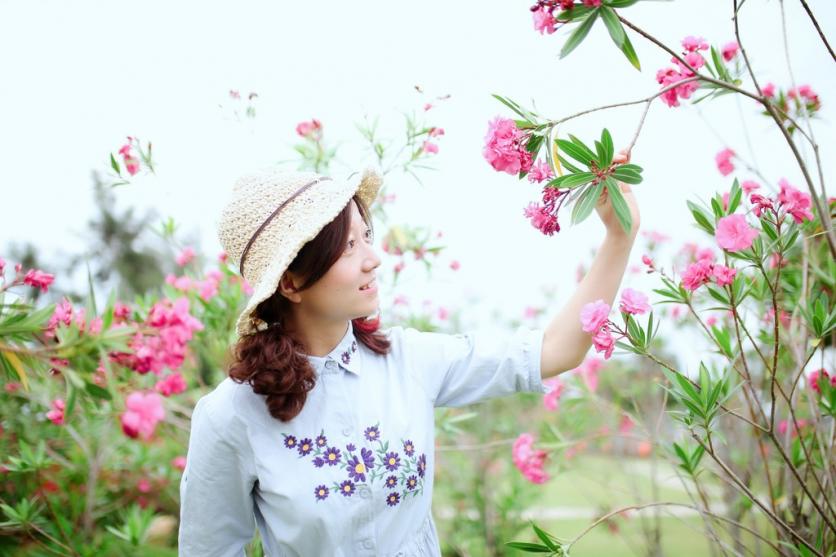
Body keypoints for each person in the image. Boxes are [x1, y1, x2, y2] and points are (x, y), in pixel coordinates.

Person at [178, 154, 639, 556]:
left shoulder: (409, 361)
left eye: (366, 236)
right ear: (291, 282)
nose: (372, 258)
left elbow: (555, 350)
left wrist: (620, 237)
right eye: (347, 246)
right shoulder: (230, 416)